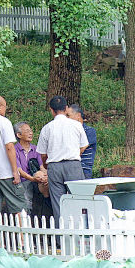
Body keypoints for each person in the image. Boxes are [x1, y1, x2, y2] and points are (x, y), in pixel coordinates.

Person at [36, 95, 88, 225]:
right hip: (73, 164)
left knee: (58, 202)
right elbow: (84, 144)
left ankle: (62, 238)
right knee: (78, 199)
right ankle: (79, 232)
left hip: (54, 166)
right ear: (66, 109)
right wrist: (76, 153)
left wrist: (47, 165)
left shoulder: (47, 128)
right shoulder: (76, 125)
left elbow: (42, 153)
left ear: (51, 110)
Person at [13, 122, 47, 212]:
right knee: (26, 197)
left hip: (36, 179)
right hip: (23, 181)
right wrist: (32, 179)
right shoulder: (14, 150)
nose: (31, 133)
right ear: (19, 135)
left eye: (31, 131)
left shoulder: (35, 149)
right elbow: (19, 170)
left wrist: (45, 177)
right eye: (27, 131)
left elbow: (42, 166)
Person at [66, 104, 97, 179]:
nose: (66, 118)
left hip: (83, 170)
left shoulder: (89, 131)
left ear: (78, 116)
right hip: (69, 169)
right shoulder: (68, 132)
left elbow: (79, 150)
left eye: (68, 115)